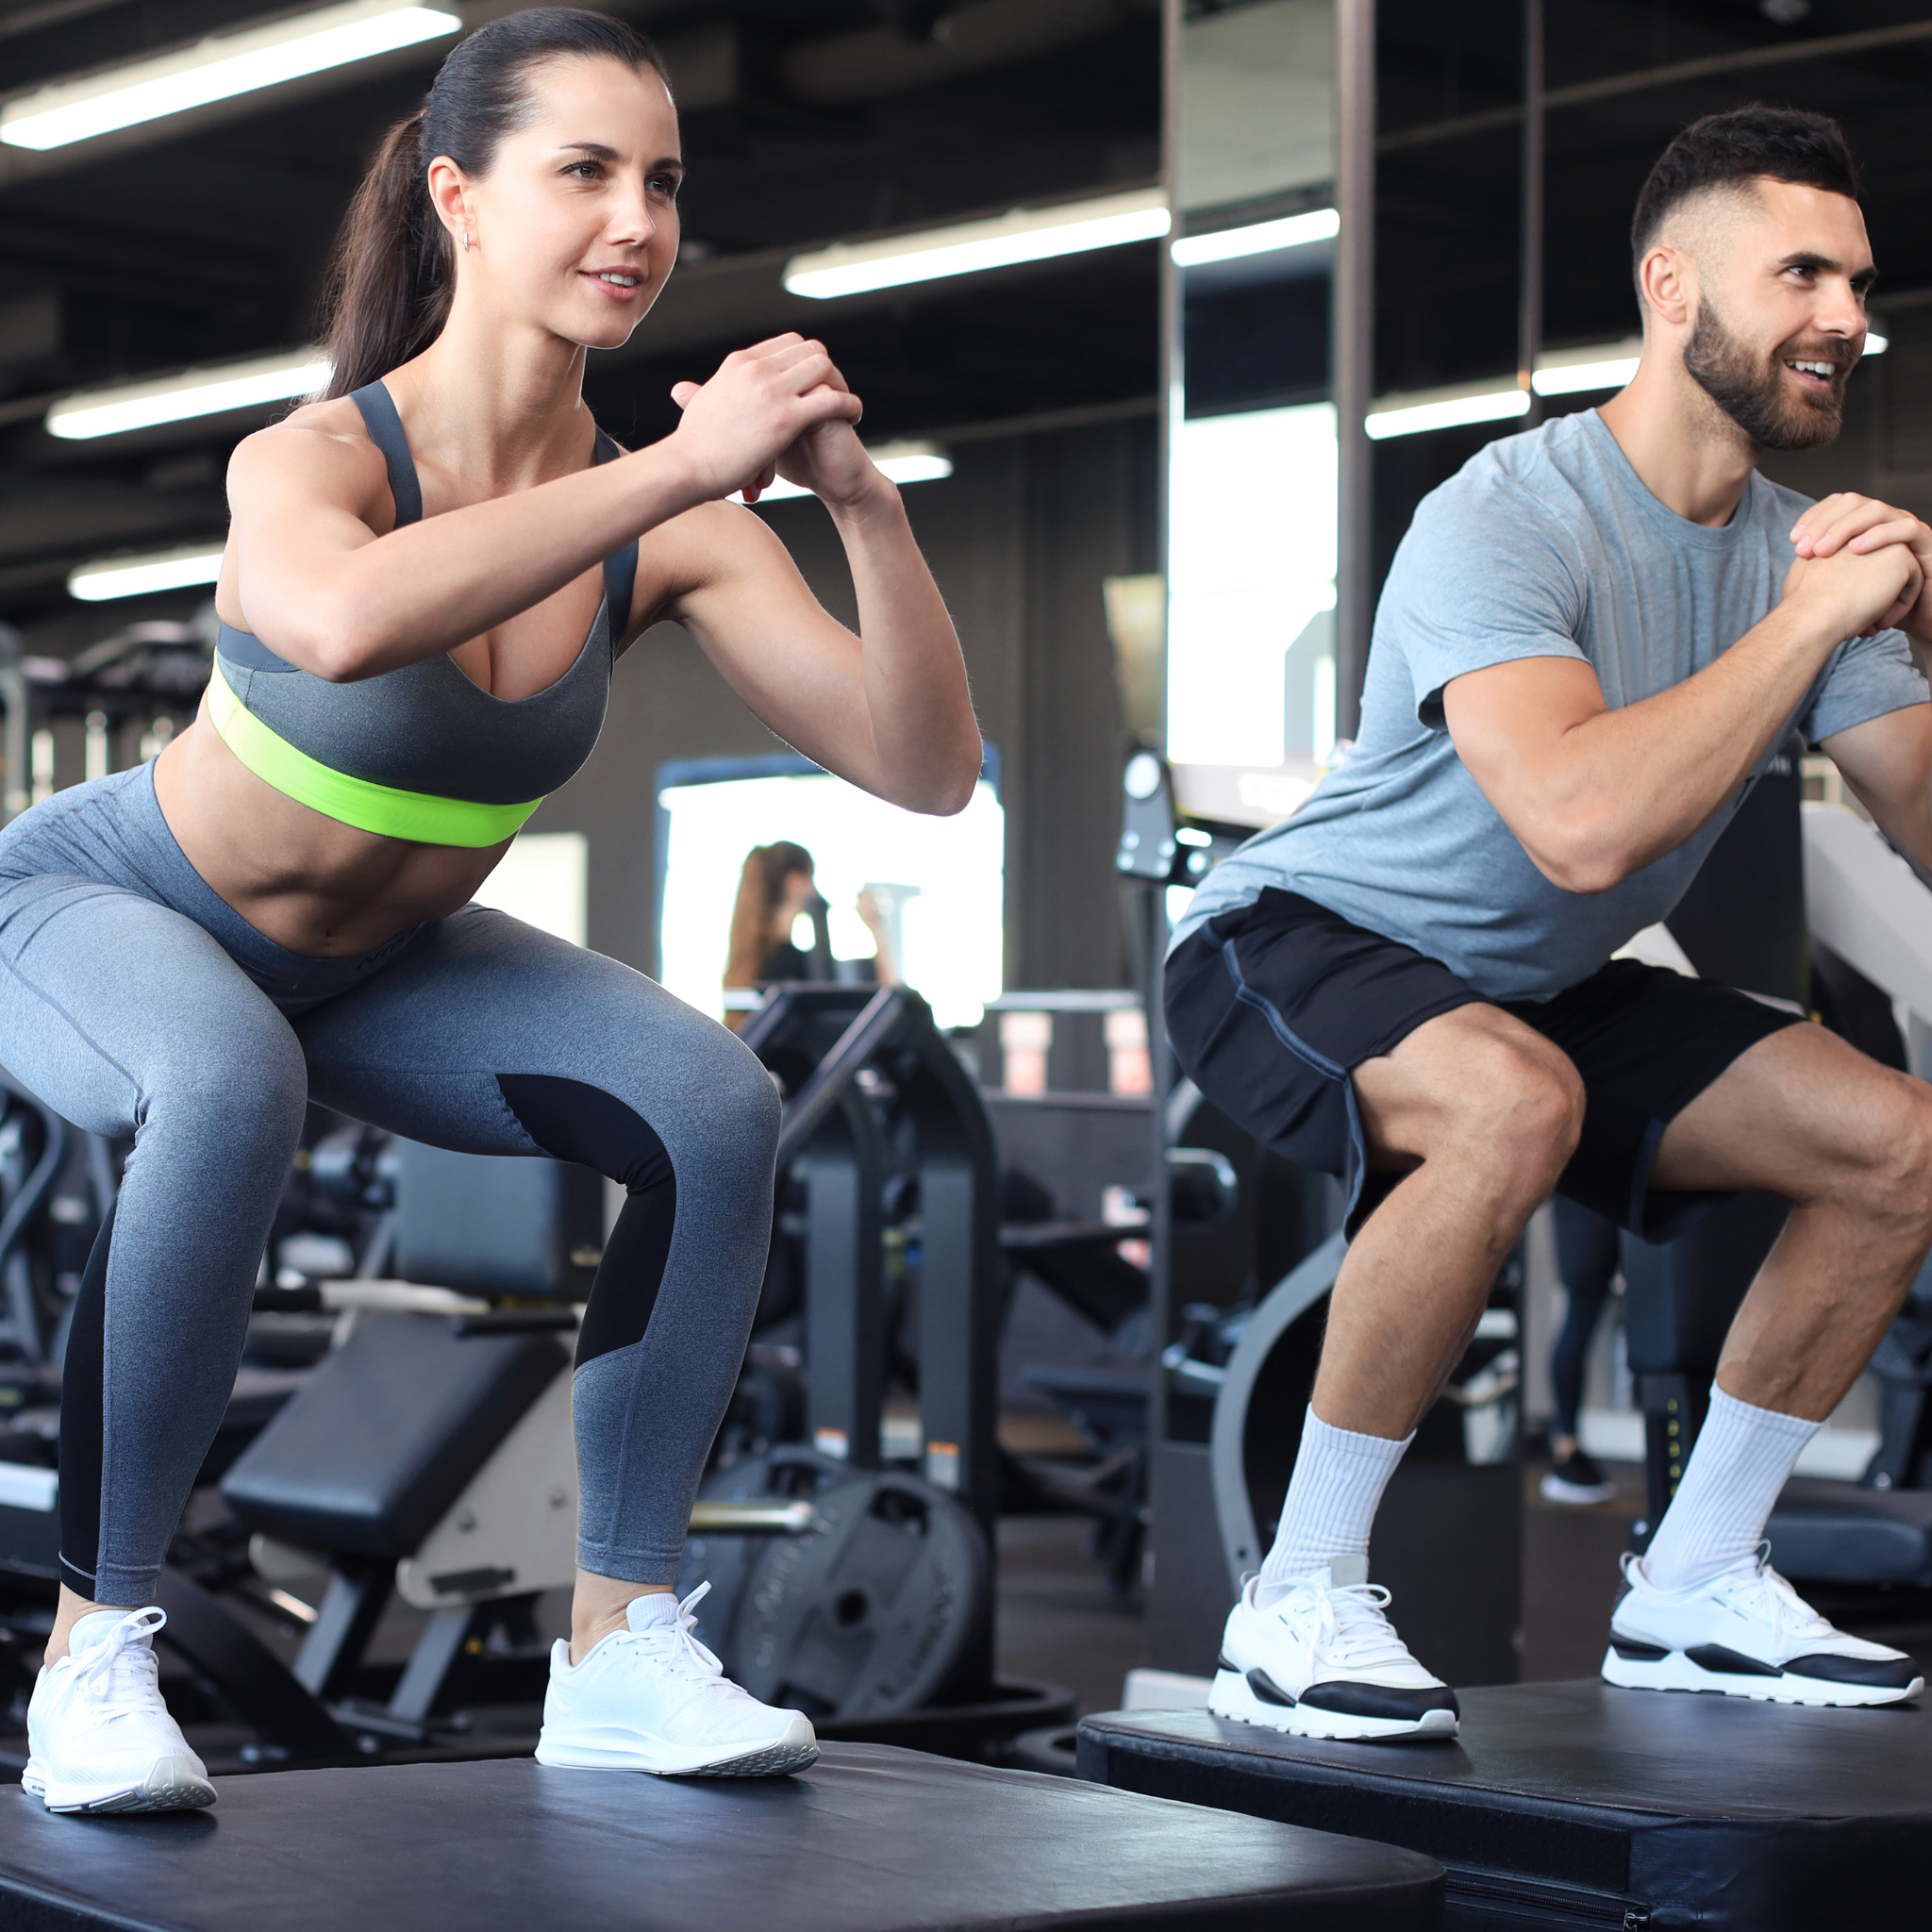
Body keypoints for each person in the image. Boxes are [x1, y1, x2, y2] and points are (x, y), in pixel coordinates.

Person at [5, 7, 978, 1814]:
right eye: (584, 174)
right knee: (223, 1081)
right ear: (458, 195)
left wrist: (860, 509)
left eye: (664, 183)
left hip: (376, 965)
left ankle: (615, 1645)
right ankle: (95, 1651)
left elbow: (918, 766)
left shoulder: (658, 524)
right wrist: (683, 464)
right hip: (99, 899)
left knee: (712, 1104)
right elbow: (351, 622)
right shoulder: (315, 459)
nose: (636, 221)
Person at [1166, 104, 1932, 1740]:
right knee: (1509, 1096)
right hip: (1299, 931)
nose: (1842, 318)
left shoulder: (1808, 562)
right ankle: (1291, 1597)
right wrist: (1805, 620)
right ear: (1672, 287)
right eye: (1798, 271)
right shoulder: (1507, 512)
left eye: (1857, 283)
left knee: (1894, 1145)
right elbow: (1580, 825)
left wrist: (1911, 625)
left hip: (1539, 974)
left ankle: (1692, 1575)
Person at [721, 841, 898, 1024]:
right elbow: (892, 1004)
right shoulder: (800, 966)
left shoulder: (749, 965)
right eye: (811, 880)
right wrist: (876, 928)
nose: (816, 891)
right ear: (795, 881)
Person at [1541, 1198, 1621, 1506]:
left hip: (1589, 1205)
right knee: (1579, 1319)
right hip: (1591, 1205)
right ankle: (1567, 1445)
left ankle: (1566, 1442)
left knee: (1579, 1319)